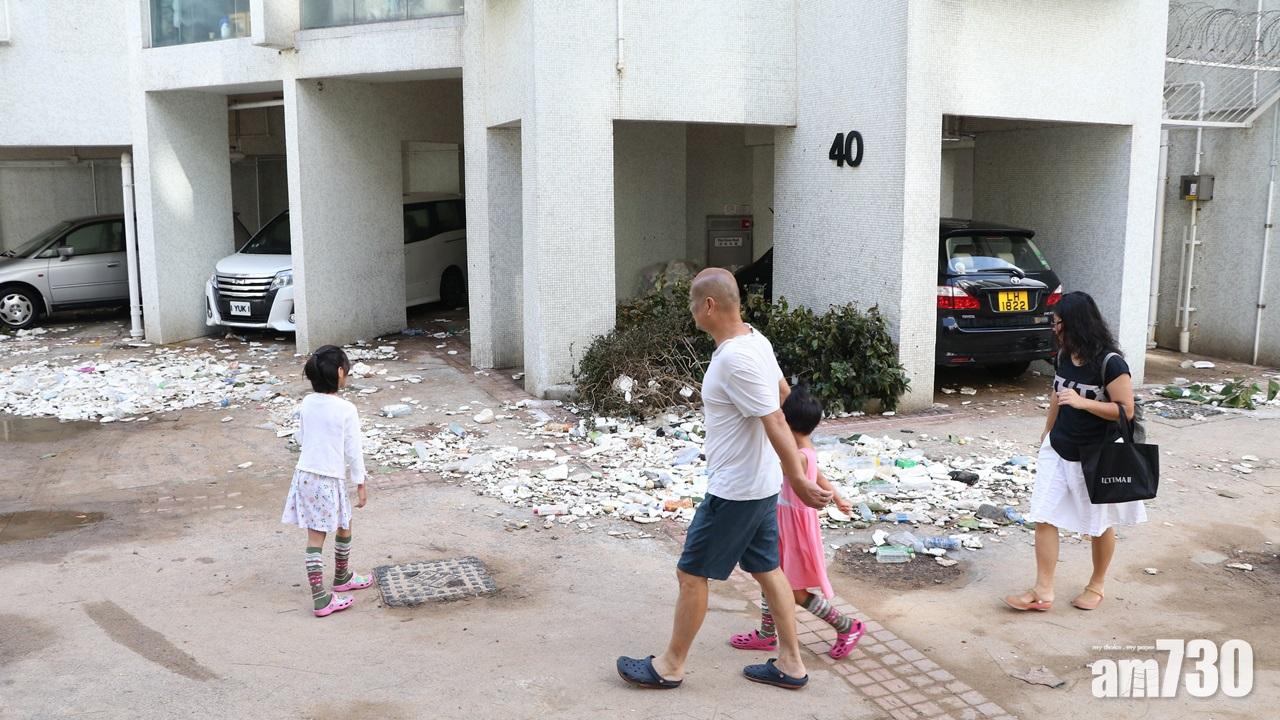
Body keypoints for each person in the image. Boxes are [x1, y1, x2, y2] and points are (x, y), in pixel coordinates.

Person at [616, 268, 832, 691]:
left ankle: (670, 666)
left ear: (709, 306)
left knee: (692, 574)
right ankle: (791, 664)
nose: (691, 311)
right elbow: (786, 397)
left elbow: (774, 417)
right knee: (769, 571)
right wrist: (803, 464)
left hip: (736, 491)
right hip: (759, 484)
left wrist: (802, 478)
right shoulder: (755, 339)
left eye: (693, 304)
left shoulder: (737, 357)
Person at [1004, 292, 1147, 612]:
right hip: (1059, 446)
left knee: (1098, 524)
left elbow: (1126, 409)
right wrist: (1047, 433)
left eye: (1057, 323)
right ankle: (1043, 590)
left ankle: (1097, 584)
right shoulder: (1064, 355)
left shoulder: (1111, 363)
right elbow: (1058, 394)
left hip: (1096, 454)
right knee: (1043, 514)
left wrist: (1084, 402)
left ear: (1075, 324)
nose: (1054, 329)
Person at [728, 384, 866, 659]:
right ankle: (767, 634)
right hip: (786, 523)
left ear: (787, 423)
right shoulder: (806, 450)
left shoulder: (796, 457)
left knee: (792, 589)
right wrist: (837, 497)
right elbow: (819, 477)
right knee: (770, 576)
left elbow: (773, 467)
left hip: (792, 528)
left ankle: (846, 625)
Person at [280, 345, 373, 618]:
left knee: (339, 524)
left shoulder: (307, 403)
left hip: (306, 475)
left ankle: (342, 577)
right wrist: (360, 481)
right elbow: (353, 449)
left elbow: (301, 437)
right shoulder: (346, 409)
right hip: (328, 478)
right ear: (341, 373)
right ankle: (321, 599)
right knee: (326, 532)